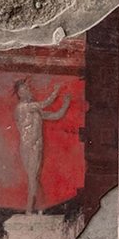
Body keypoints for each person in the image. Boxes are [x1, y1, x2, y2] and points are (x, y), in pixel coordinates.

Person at [14, 79, 70, 214]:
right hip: (28, 146)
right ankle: (30, 210)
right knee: (33, 178)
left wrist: (66, 103)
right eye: (25, 88)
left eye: (28, 87)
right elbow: (45, 103)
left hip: (36, 146)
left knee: (34, 178)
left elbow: (55, 115)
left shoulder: (36, 111)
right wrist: (56, 90)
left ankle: (39, 208)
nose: (29, 90)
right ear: (20, 93)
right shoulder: (23, 107)